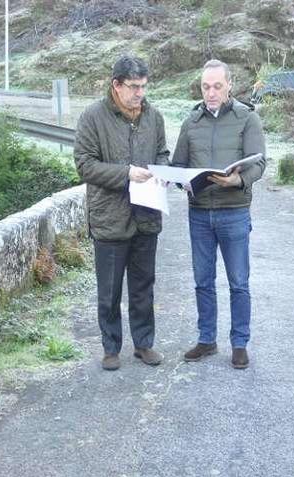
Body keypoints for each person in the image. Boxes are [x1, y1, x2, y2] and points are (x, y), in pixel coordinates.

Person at [74, 55, 169, 371]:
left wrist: (163, 171)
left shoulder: (153, 117)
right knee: (110, 290)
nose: (139, 93)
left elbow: (162, 154)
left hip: (146, 216)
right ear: (116, 85)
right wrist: (125, 173)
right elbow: (85, 165)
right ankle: (110, 348)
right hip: (110, 219)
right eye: (133, 87)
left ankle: (144, 345)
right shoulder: (92, 117)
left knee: (143, 287)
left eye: (143, 86)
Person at [172, 59, 267, 370]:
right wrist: (180, 180)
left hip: (234, 213)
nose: (210, 93)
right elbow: (178, 164)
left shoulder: (247, 119)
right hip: (199, 214)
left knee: (239, 282)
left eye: (216, 86)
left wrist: (237, 180)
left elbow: (259, 163)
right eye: (205, 87)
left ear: (229, 85)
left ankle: (239, 344)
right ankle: (207, 339)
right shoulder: (191, 121)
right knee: (203, 281)